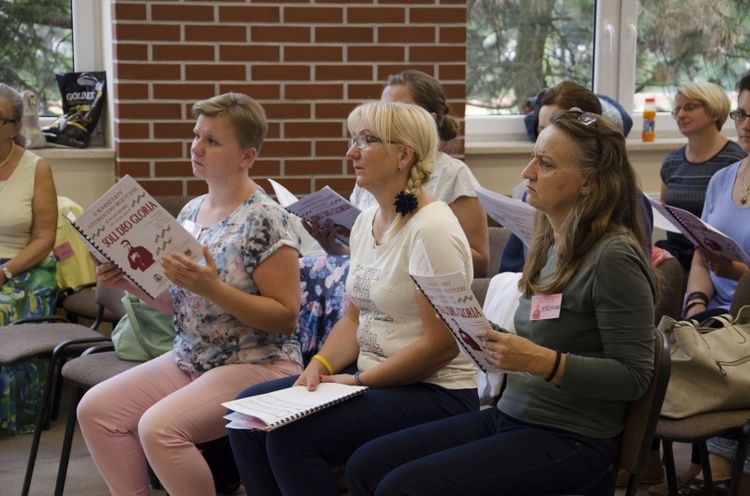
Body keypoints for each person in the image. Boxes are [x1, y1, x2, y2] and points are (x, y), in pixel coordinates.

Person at [345, 109, 657, 496]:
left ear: (588, 181)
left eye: (544, 164)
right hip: (513, 414)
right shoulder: (550, 241)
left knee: (400, 487)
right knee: (365, 465)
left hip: (574, 439)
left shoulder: (614, 256)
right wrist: (485, 333)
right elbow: (543, 335)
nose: (527, 172)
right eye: (532, 157)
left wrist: (542, 361)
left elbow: (635, 377)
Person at [227, 100, 479, 495]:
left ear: (403, 155)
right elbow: (353, 319)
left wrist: (357, 380)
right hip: (376, 380)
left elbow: (440, 347)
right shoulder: (367, 221)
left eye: (365, 140)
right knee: (246, 415)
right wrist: (321, 365)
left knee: (291, 437)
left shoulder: (431, 228)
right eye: (353, 139)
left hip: (435, 391)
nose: (351, 151)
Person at [76, 93, 303, 496]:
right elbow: (177, 306)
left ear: (247, 156)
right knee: (96, 410)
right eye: (196, 135)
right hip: (194, 355)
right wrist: (128, 281)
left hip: (260, 361)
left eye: (212, 141)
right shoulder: (191, 211)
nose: (196, 147)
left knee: (160, 428)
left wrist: (211, 287)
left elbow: (285, 316)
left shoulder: (266, 218)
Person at [648, 73, 750, 496]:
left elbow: (726, 266)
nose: (746, 124)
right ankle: (648, 461)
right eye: (744, 113)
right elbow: (703, 255)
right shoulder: (723, 179)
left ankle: (722, 467)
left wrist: (739, 275)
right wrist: (692, 307)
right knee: (656, 346)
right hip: (716, 313)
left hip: (747, 317)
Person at [308, 70, 491, 278]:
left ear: (425, 121)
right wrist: (335, 247)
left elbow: (477, 263)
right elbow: (371, 263)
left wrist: (406, 246)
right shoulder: (370, 187)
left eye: (396, 111)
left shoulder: (449, 185)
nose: (351, 153)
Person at [500, 80, 653, 273]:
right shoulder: (536, 194)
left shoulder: (617, 248)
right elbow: (510, 268)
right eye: (542, 128)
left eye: (556, 128)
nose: (546, 136)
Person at [0, 82, 59, 435]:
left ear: (15, 127)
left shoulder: (36, 168)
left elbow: (44, 239)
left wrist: (6, 271)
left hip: (20, 266)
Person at [655, 81, 747, 272]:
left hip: (718, 262)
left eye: (689, 107)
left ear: (714, 111)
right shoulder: (671, 162)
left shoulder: (734, 161)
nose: (681, 115)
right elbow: (666, 217)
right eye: (677, 109)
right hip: (678, 256)